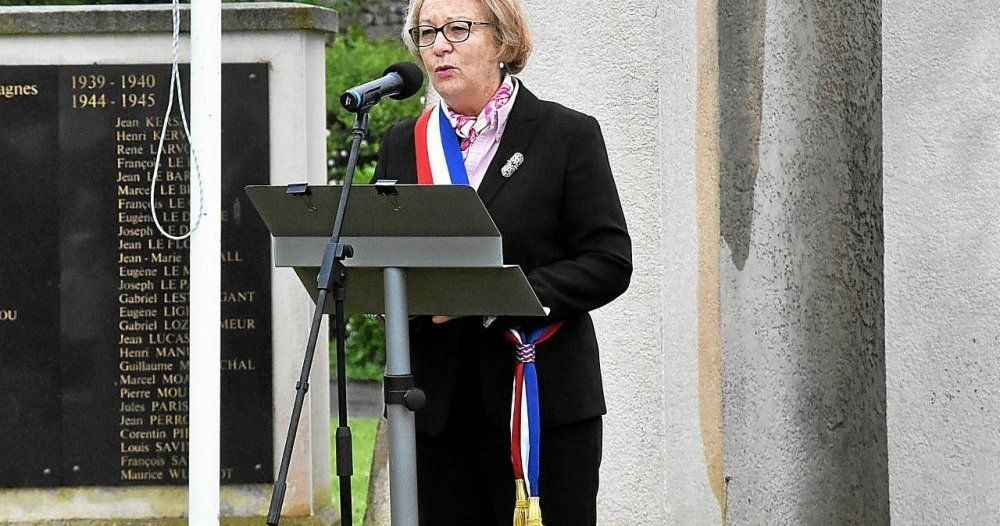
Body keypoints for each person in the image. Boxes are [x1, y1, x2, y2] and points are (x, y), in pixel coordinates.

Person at [373, 0, 632, 524]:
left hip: (541, 402)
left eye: (457, 29)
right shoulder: (403, 144)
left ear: (504, 40)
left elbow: (609, 261)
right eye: (425, 33)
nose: (439, 45)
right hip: (436, 409)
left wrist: (493, 297)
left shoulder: (567, 135)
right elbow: (384, 259)